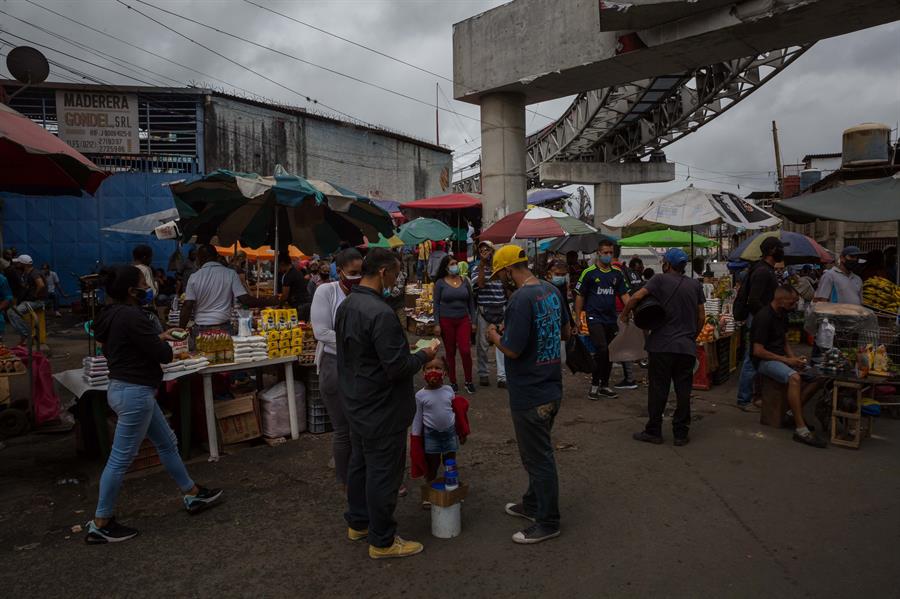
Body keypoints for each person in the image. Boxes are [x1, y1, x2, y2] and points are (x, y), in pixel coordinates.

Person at [87, 265, 222, 544]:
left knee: (167, 442)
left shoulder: (108, 314)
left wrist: (158, 335)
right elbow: (162, 354)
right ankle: (101, 522)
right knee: (120, 458)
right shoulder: (133, 316)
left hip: (126, 388)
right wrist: (163, 341)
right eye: (142, 283)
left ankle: (192, 492)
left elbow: (126, 344)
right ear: (130, 290)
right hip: (135, 392)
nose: (147, 288)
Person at [335, 248, 438, 560]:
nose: (397, 280)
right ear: (383, 272)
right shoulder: (379, 313)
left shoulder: (349, 304)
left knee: (360, 464)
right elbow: (397, 367)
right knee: (383, 472)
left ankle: (359, 522)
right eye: (395, 274)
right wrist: (424, 354)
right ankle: (382, 540)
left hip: (356, 400)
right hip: (382, 406)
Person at [486, 245, 570, 544]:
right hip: (550, 386)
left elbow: (512, 348)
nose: (500, 281)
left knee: (538, 458)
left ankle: (548, 521)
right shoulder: (550, 290)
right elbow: (565, 331)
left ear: (509, 270)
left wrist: (493, 335)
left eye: (500, 274)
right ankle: (533, 503)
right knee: (537, 452)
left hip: (530, 392)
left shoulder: (521, 299)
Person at [621, 249, 705, 446]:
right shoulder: (694, 284)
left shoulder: (659, 280)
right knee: (683, 390)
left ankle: (654, 431)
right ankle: (681, 434)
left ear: (667, 264)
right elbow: (701, 316)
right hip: (686, 347)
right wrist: (692, 335)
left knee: (659, 389)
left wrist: (624, 314)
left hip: (661, 346)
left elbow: (635, 298)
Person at [310, 248, 363, 488]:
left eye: (361, 272)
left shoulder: (363, 293)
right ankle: (347, 481)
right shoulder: (326, 291)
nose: (357, 276)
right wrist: (357, 344)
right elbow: (320, 332)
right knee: (343, 429)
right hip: (334, 365)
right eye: (352, 273)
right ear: (339, 271)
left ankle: (361, 475)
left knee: (360, 428)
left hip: (359, 366)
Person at [752, 285, 826, 448]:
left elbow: (784, 342)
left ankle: (792, 412)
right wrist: (787, 361)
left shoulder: (783, 314)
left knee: (818, 376)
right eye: (792, 302)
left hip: (780, 358)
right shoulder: (764, 317)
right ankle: (801, 430)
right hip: (765, 362)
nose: (794, 306)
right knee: (795, 378)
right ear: (781, 300)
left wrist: (795, 359)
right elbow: (758, 351)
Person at [574, 240, 631, 399]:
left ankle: (604, 385)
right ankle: (594, 384)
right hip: (594, 318)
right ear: (598, 253)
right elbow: (580, 295)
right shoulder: (589, 273)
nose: (608, 255)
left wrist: (631, 310)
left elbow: (625, 295)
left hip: (611, 319)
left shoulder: (617, 273)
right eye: (605, 252)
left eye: (610, 253)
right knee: (602, 348)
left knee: (610, 352)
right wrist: (578, 318)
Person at [735, 236, 786, 412]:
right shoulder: (763, 271)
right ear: (772, 250)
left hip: (760, 319)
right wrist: (767, 317)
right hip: (758, 320)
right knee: (751, 360)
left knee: (757, 360)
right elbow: (754, 300)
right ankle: (744, 399)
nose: (782, 251)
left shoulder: (766, 269)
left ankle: (755, 396)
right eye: (780, 248)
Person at [179, 244, 275, 336]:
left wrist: (180, 329)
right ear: (217, 256)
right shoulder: (230, 274)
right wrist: (269, 301)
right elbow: (246, 300)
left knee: (201, 353)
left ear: (199, 259)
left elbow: (187, 306)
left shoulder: (194, 277)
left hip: (201, 329)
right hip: (224, 329)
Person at [411, 355, 466, 488]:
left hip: (450, 434)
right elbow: (417, 419)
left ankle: (452, 489)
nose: (433, 371)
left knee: (450, 463)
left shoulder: (449, 390)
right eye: (429, 368)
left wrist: (462, 431)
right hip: (431, 436)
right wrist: (415, 440)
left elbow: (456, 412)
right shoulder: (420, 395)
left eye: (437, 368)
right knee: (432, 465)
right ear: (423, 372)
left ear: (445, 372)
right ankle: (429, 493)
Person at [433, 255, 476, 394]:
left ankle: (469, 381)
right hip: (446, 321)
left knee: (465, 350)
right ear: (446, 267)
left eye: (456, 263)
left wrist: (473, 321)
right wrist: (437, 324)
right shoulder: (440, 283)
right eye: (452, 263)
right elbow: (436, 305)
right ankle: (453, 382)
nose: (455, 265)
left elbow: (471, 303)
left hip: (463, 320)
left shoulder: (465, 281)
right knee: (450, 352)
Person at [471, 240, 507, 388]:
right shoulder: (475, 268)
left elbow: (506, 284)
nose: (485, 252)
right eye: (482, 250)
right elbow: (479, 284)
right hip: (484, 309)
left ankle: (502, 376)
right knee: (482, 344)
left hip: (501, 308)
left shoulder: (499, 267)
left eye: (488, 249)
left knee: (502, 344)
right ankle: (483, 374)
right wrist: (482, 266)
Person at [6, 255, 47, 346]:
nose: (17, 264)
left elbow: (41, 285)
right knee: (11, 312)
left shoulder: (34, 273)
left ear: (23, 264)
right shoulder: (26, 273)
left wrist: (35, 295)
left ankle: (27, 335)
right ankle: (25, 335)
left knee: (13, 313)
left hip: (35, 301)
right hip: (29, 301)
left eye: (18, 262)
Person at [278, 253, 313, 321]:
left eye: (279, 266)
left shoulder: (288, 276)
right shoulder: (297, 271)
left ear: (282, 264)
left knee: (296, 325)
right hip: (306, 303)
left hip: (299, 306)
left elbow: (285, 295)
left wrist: (279, 305)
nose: (279, 269)